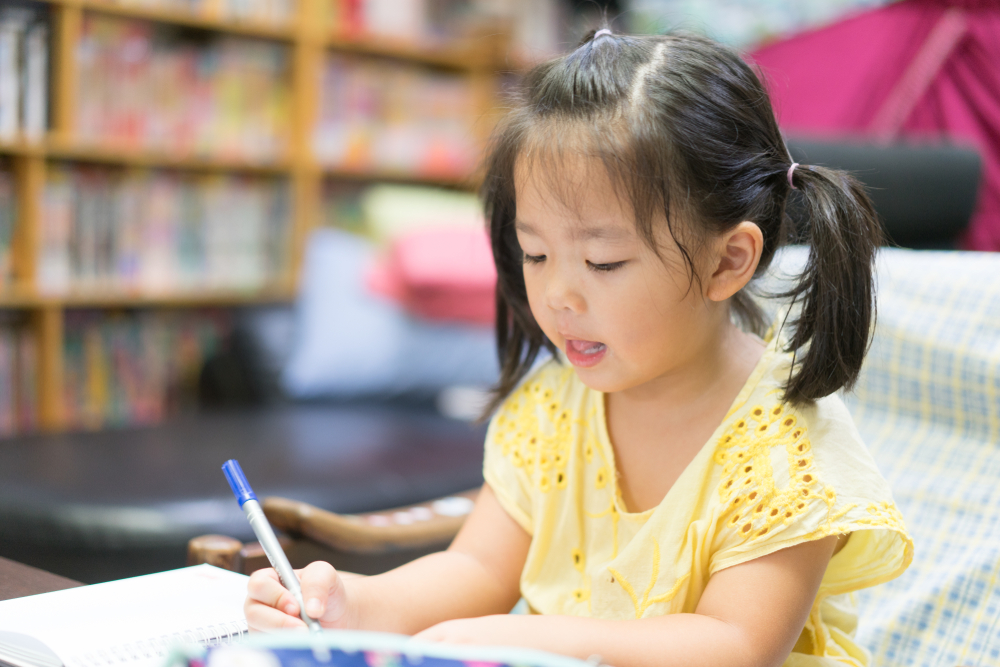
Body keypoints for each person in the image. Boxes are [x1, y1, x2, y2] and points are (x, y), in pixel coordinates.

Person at [246, 28, 913, 667]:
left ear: (726, 261)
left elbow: (735, 644)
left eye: (602, 261)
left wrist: (532, 640)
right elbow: (475, 568)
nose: (558, 295)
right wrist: (352, 601)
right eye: (535, 253)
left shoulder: (787, 450)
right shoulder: (553, 411)